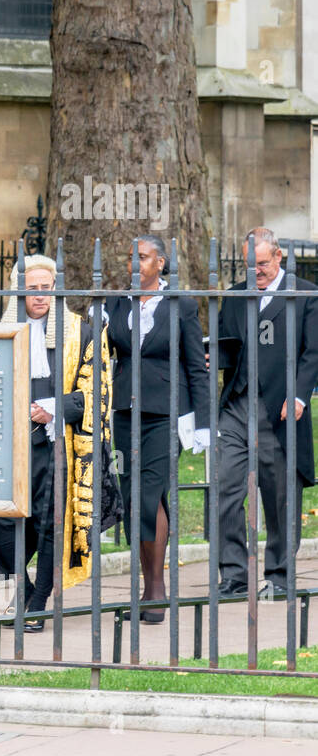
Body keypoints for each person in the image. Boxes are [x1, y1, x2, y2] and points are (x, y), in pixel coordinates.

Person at [0, 255, 118, 630]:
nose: (40, 296)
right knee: (0, 519)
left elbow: (96, 393)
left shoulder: (84, 333)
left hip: (56, 445)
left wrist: (53, 409)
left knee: (50, 523)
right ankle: (26, 591)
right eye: (32, 289)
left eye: (47, 289)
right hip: (6, 447)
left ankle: (40, 602)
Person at [104, 235, 210, 622]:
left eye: (143, 257)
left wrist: (203, 422)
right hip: (125, 412)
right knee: (134, 498)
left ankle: (156, 590)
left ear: (161, 263)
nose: (135, 263)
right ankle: (149, 588)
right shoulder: (115, 302)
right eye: (131, 257)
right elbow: (100, 352)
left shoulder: (181, 305)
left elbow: (196, 365)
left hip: (167, 414)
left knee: (148, 495)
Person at [216, 227, 318, 597]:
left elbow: (313, 353)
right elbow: (231, 346)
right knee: (224, 488)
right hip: (237, 405)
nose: (255, 271)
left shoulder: (305, 294)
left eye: (261, 263)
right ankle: (234, 575)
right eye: (249, 265)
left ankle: (278, 576)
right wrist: (215, 356)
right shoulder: (235, 296)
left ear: (278, 257)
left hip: (280, 409)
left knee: (279, 497)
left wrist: (300, 395)